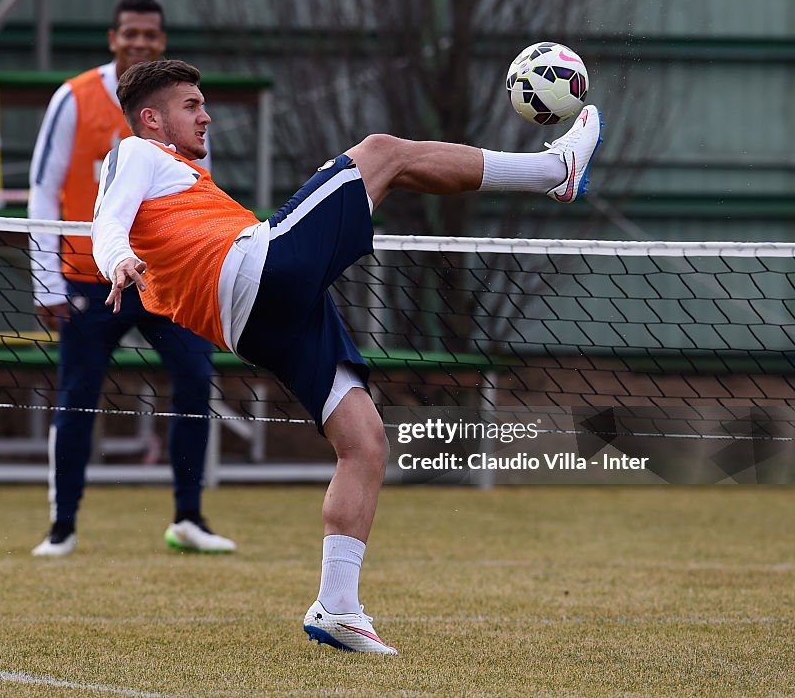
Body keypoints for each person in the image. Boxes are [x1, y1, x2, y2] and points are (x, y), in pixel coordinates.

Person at [91, 59, 603, 654]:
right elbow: (107, 222)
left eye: (203, 103)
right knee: (382, 151)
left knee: (364, 443)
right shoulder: (136, 152)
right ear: (151, 119)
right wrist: (115, 259)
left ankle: (337, 606)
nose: (205, 115)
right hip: (257, 271)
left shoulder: (178, 172)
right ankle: (554, 171)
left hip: (255, 319)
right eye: (190, 105)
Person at [28, 0, 235, 557]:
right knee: (77, 396)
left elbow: (199, 202)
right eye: (130, 34)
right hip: (88, 278)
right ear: (113, 37)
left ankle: (188, 518)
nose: (140, 42)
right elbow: (43, 190)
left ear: (160, 41)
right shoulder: (72, 99)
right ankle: (62, 526)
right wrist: (46, 280)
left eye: (150, 34)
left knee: (195, 381)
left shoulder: (181, 113)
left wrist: (204, 276)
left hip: (164, 283)